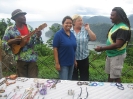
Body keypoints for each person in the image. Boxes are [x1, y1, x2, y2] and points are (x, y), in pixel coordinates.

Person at [94, 7, 131, 83]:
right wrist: (108, 53)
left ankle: (119, 92)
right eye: (110, 15)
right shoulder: (116, 25)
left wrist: (101, 48)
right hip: (111, 54)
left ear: (119, 16)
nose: (110, 17)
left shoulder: (123, 28)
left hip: (117, 55)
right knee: (110, 74)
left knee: (116, 76)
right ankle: (109, 89)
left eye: (112, 15)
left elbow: (118, 45)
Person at [2, 9, 43, 78]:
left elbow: (36, 43)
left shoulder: (29, 28)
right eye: (21, 15)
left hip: (32, 58)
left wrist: (38, 37)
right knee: (22, 81)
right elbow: (3, 44)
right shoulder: (10, 29)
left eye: (24, 15)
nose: (24, 17)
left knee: (33, 80)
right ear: (15, 18)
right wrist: (12, 41)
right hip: (20, 60)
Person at [71, 14, 96, 81]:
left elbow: (94, 38)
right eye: (79, 20)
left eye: (82, 20)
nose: (81, 22)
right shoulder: (70, 31)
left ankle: (84, 90)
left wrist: (88, 29)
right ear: (73, 22)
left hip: (84, 58)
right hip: (72, 59)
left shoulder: (85, 31)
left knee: (85, 78)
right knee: (73, 78)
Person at [53, 16, 77, 80]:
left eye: (70, 23)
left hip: (71, 63)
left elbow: (73, 48)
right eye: (67, 23)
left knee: (69, 81)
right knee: (64, 82)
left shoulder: (72, 34)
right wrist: (57, 63)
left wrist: (74, 60)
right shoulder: (58, 35)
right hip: (63, 64)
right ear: (63, 24)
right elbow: (55, 49)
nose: (69, 25)